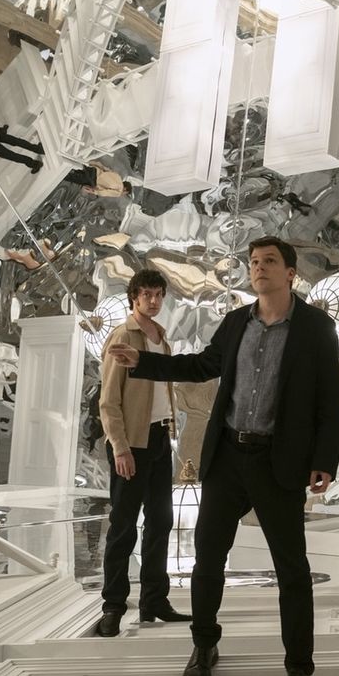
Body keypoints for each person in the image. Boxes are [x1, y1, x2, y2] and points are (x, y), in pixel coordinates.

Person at [108, 236, 339, 676]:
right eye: (253, 261)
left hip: (279, 463)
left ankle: (299, 670)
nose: (259, 268)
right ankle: (204, 647)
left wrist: (324, 459)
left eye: (269, 261)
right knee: (208, 561)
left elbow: (329, 398)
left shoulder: (316, 327)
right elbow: (201, 366)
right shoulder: (236, 322)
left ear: (290, 273)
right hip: (227, 458)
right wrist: (145, 362)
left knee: (292, 571)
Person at [95, 268, 192, 637]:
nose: (153, 301)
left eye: (158, 295)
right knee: (123, 527)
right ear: (134, 297)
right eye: (146, 294)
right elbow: (108, 401)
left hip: (159, 439)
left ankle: (154, 600)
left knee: (160, 523)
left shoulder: (161, 338)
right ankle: (113, 606)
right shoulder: (123, 336)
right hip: (130, 443)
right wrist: (120, 448)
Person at [63, 162, 131, 197]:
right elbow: (106, 192)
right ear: (125, 189)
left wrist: (93, 164)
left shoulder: (118, 176)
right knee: (69, 177)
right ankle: (59, 172)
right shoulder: (119, 192)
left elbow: (106, 169)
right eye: (125, 193)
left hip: (95, 170)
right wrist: (93, 192)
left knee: (73, 168)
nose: (123, 194)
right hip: (93, 180)